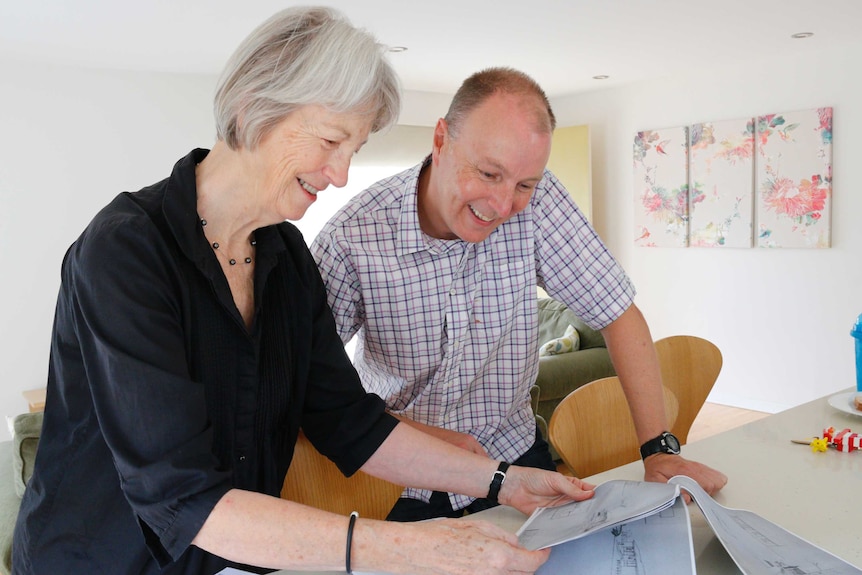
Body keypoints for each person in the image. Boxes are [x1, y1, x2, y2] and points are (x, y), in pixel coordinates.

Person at [12, 13, 596, 575]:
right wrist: (411, 547)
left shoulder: (287, 257)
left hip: (233, 559)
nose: (340, 174)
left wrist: (505, 481)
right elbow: (180, 498)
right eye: (330, 141)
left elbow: (350, 423)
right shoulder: (126, 253)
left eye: (355, 150)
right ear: (254, 107)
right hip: (101, 562)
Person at [311, 67, 728, 522]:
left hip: (515, 456)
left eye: (524, 184)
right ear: (441, 139)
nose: (503, 206)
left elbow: (617, 314)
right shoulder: (353, 235)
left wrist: (658, 449)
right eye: (489, 174)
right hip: (399, 477)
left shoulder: (542, 202)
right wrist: (415, 433)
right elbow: (309, 384)